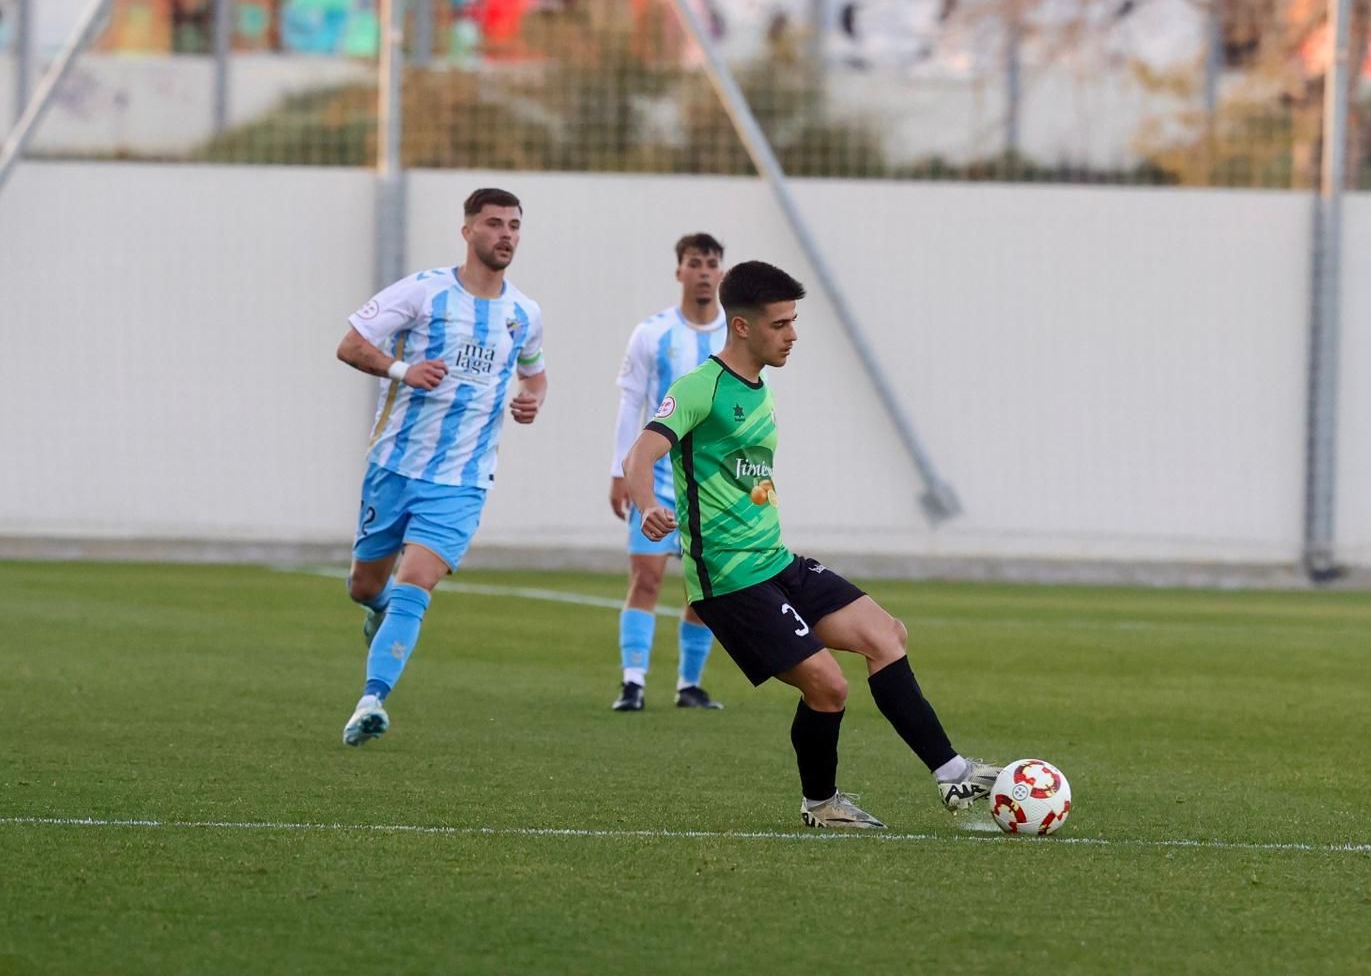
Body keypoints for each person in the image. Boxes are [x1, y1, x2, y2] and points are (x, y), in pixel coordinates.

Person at [620, 260, 998, 828]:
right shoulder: (700, 388)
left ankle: (951, 774)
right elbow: (640, 456)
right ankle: (821, 805)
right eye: (781, 324)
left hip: (775, 560)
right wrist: (649, 504)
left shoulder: (759, 388)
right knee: (828, 686)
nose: (793, 335)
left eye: (794, 321)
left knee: (885, 633)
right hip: (729, 579)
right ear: (743, 327)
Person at [334, 187, 546, 747]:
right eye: (495, 223)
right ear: (468, 230)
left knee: (416, 584)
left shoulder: (524, 314)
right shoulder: (424, 292)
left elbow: (535, 373)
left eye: (515, 225)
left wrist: (532, 398)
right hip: (394, 466)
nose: (507, 234)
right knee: (364, 586)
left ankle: (371, 700)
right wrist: (404, 370)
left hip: (463, 479)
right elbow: (351, 345)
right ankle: (376, 613)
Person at [606, 233, 730, 712]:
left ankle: (688, 685)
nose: (703, 271)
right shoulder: (652, 333)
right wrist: (620, 470)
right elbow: (631, 401)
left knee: (707, 588)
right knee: (647, 578)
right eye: (694, 263)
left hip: (715, 484)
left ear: (722, 273)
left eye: (711, 263)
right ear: (679, 271)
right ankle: (632, 682)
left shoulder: (735, 335)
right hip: (657, 479)